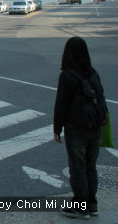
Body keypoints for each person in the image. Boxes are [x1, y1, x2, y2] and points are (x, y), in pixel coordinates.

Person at [53, 36, 104, 219]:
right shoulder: (93, 73)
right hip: (96, 128)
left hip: (77, 128)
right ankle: (92, 205)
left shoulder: (67, 75)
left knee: (77, 168)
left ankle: (80, 207)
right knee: (91, 167)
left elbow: (61, 105)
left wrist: (57, 128)